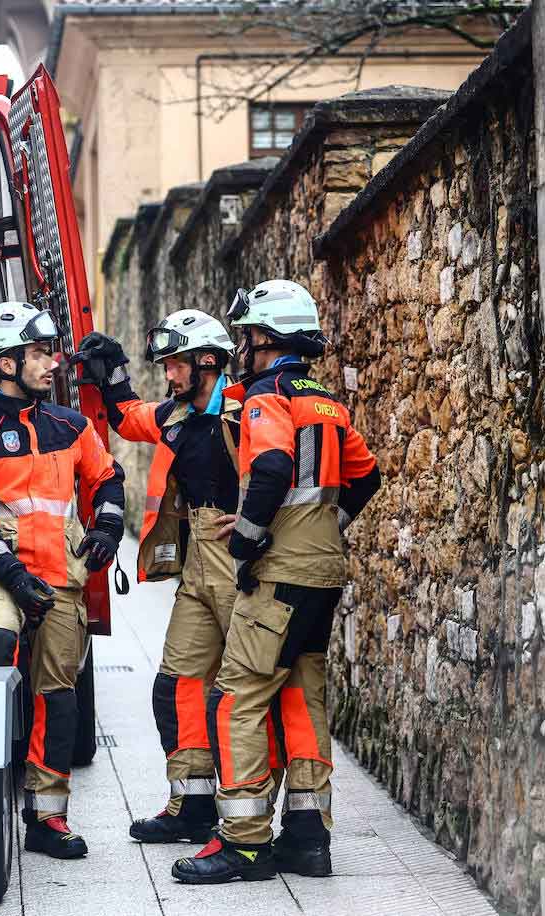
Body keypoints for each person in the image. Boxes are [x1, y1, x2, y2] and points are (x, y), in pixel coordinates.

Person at [172, 279, 381, 884]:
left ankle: (244, 843)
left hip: (281, 577)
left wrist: (249, 539)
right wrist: (319, 524)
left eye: (248, 335)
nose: (243, 345)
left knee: (236, 697)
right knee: (302, 695)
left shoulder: (267, 395)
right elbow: (365, 476)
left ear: (266, 336)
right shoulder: (326, 400)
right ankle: (309, 838)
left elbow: (269, 465)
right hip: (323, 572)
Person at [0, 301, 126, 860]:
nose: (53, 363)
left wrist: (109, 530)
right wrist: (12, 574)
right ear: (5, 364)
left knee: (59, 696)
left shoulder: (72, 426)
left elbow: (108, 478)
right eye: (39, 353)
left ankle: (47, 817)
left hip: (60, 583)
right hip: (3, 580)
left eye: (50, 351)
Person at [74, 309, 258, 844]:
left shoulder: (249, 409)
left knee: (242, 692)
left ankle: (272, 819)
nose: (169, 375)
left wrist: (255, 524)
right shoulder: (177, 415)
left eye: (175, 365)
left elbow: (288, 470)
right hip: (198, 564)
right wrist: (112, 376)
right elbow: (130, 418)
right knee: (174, 685)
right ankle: (192, 804)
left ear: (208, 361)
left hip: (240, 559)